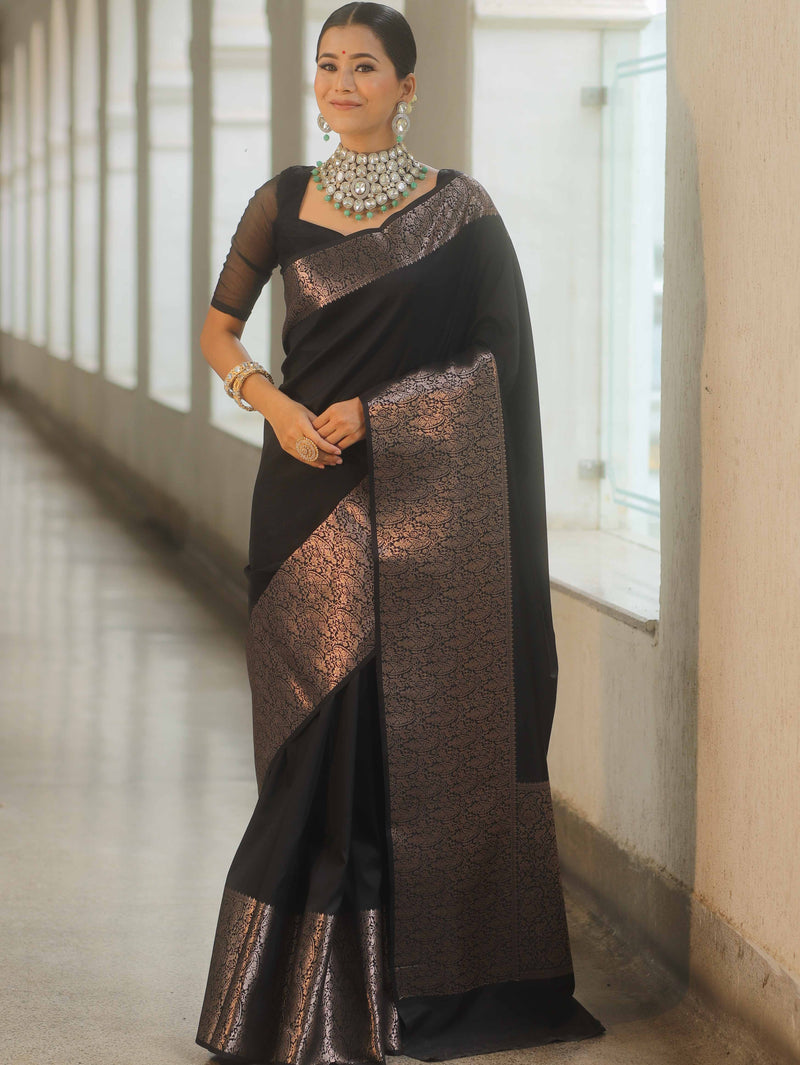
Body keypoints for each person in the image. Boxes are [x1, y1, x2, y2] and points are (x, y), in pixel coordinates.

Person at [195, 3, 605, 1062]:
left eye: (364, 67)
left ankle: (410, 986)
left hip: (423, 506)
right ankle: (284, 998)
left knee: (397, 737)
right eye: (327, 65)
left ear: (405, 86)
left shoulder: (460, 215)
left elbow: (495, 368)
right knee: (310, 743)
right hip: (299, 502)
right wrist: (270, 404)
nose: (340, 82)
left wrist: (381, 414)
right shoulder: (280, 202)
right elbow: (217, 326)